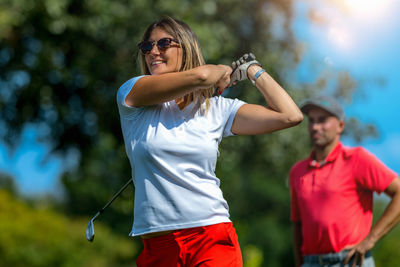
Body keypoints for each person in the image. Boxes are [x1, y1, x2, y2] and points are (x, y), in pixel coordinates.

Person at [116, 16, 303, 267]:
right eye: (147, 47)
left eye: (164, 44)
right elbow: (203, 76)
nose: (154, 52)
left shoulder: (217, 109)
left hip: (211, 238)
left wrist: (252, 70)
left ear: (187, 47)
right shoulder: (132, 94)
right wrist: (221, 70)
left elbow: (289, 115)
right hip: (158, 248)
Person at [289, 95, 400, 267]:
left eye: (323, 120)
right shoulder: (298, 171)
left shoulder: (357, 159)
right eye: (311, 121)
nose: (315, 127)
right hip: (311, 262)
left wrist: (370, 240)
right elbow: (297, 226)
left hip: (350, 261)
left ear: (340, 125)